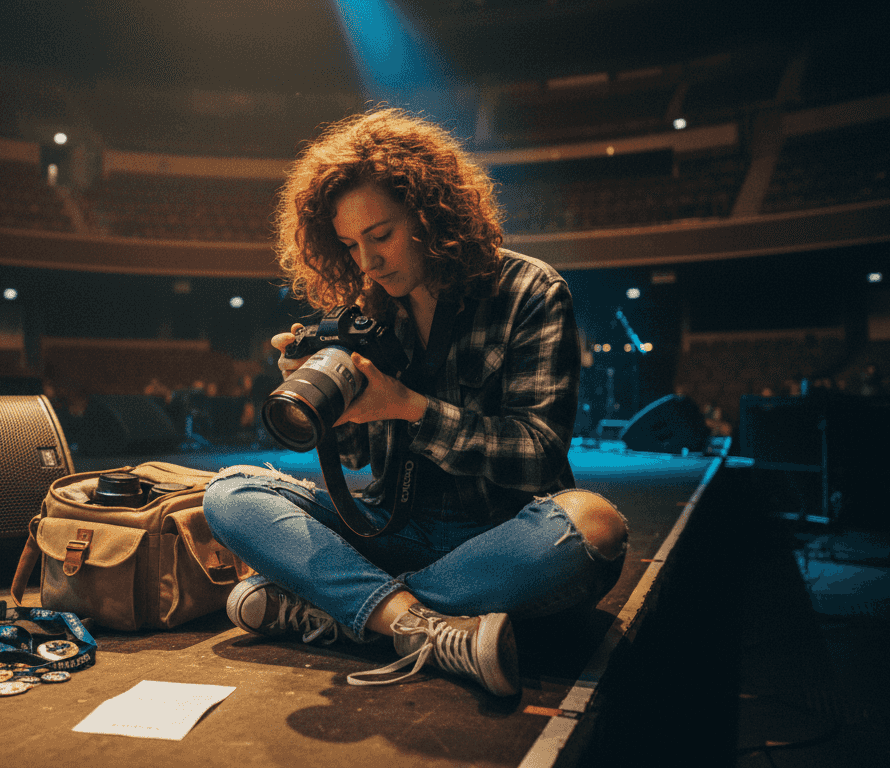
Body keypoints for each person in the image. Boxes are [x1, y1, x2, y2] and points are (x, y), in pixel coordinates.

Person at [203, 109, 628, 698]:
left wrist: (411, 408)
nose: (367, 262)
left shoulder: (530, 291)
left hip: (500, 541)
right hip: (390, 528)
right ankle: (421, 624)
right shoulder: (366, 310)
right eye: (350, 245)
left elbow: (538, 455)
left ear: (433, 215)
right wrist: (324, 405)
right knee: (229, 493)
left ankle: (347, 609)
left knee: (594, 526)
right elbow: (354, 457)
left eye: (381, 236)